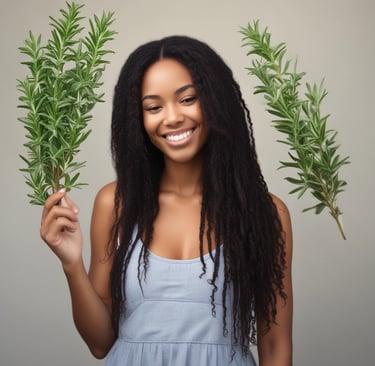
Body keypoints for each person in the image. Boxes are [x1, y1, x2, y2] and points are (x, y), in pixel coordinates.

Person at [40, 35, 293, 365]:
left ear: (216, 101)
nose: (171, 117)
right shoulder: (114, 203)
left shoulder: (265, 213)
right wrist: (71, 264)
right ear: (138, 120)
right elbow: (101, 344)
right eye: (153, 107)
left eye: (187, 99)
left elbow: (275, 346)